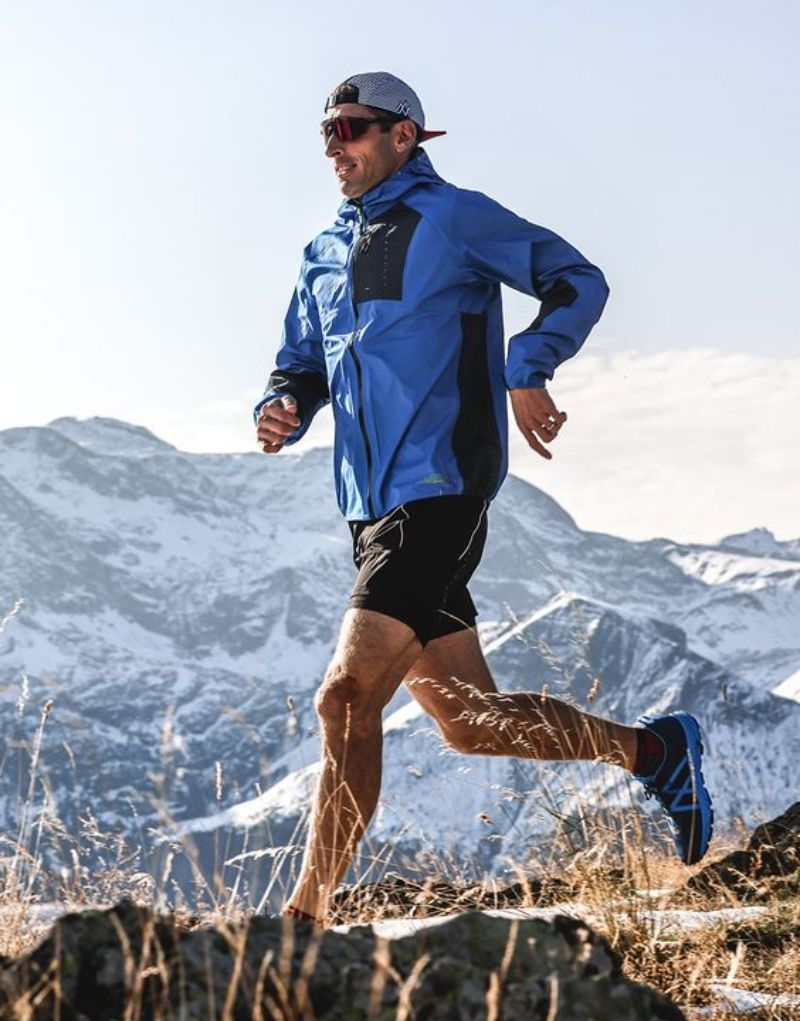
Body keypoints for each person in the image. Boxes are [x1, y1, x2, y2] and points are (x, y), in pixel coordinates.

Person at [254, 72, 714, 926]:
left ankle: (302, 919)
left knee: (345, 699)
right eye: (326, 131)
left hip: (441, 487)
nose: (335, 146)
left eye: (351, 128)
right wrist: (281, 405)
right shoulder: (322, 251)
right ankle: (654, 750)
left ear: (406, 137)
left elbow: (578, 278)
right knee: (470, 722)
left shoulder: (455, 217)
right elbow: (302, 362)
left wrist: (528, 364)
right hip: (368, 506)